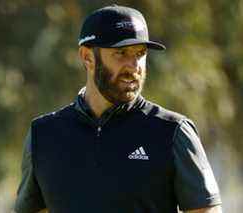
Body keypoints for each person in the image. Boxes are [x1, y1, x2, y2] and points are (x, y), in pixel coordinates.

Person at [13, 5, 222, 213]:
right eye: (121, 53)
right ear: (87, 57)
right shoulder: (44, 134)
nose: (134, 66)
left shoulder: (173, 132)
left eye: (140, 53)